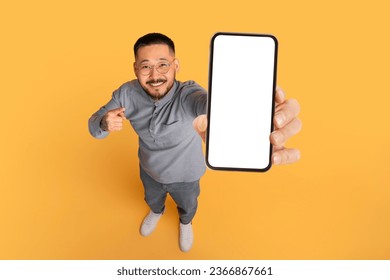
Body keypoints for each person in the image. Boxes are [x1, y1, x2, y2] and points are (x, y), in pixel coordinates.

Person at [88, 33, 302, 252]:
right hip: (149, 171)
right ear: (135, 69)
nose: (155, 75)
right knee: (152, 200)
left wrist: (252, 109)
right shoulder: (126, 93)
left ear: (176, 65)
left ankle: (186, 223)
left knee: (188, 207)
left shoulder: (188, 94)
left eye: (163, 65)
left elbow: (211, 105)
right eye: (146, 67)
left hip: (187, 177)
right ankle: (157, 211)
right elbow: (94, 126)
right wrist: (104, 123)